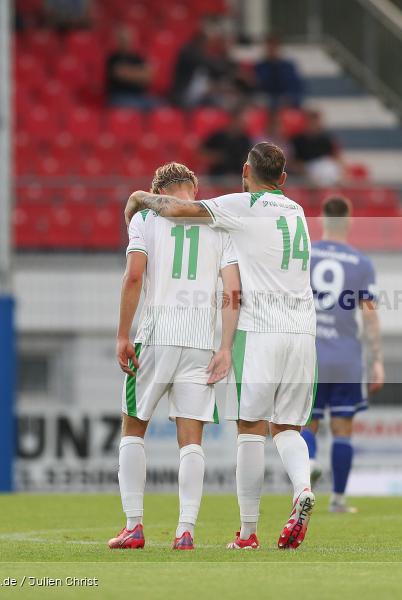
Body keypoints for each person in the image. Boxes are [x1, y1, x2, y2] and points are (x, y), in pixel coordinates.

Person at [124, 142, 317, 551]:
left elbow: (176, 211)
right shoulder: (298, 212)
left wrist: (140, 197)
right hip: (303, 333)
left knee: (250, 429)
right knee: (287, 428)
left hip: (259, 331)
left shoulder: (239, 206)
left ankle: (247, 534)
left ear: (246, 171)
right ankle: (301, 489)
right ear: (283, 178)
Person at [109, 162, 241, 550]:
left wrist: (122, 334)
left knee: (133, 426)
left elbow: (134, 276)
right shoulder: (219, 223)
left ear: (158, 189)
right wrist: (225, 346)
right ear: (192, 189)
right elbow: (232, 291)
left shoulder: (146, 217)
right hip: (201, 342)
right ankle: (186, 531)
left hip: (156, 335)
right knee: (192, 440)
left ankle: (134, 526)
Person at [301, 196, 384, 513]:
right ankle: (338, 500)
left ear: (322, 220)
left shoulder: (307, 255)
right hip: (347, 356)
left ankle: (307, 471)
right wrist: (376, 358)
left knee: (306, 423)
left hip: (310, 352)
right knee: (343, 428)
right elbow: (370, 315)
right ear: (349, 221)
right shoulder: (361, 263)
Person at [105, 26, 156, 110]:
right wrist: (139, 74)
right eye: (122, 39)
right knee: (136, 108)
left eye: (128, 39)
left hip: (141, 96)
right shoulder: (113, 58)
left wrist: (130, 73)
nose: (126, 42)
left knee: (163, 109)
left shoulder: (137, 58)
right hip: (119, 96)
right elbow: (120, 74)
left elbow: (149, 76)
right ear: (117, 41)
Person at [290, 109, 344, 186]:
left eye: (315, 122)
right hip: (307, 170)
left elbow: (336, 157)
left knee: (330, 170)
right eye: (310, 121)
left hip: (325, 168)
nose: (313, 124)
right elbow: (293, 161)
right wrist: (305, 169)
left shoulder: (327, 138)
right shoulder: (298, 140)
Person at [254, 34, 304, 110]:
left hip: (285, 103)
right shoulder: (260, 66)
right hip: (267, 103)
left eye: (274, 46)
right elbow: (260, 86)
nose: (271, 49)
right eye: (269, 46)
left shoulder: (288, 66)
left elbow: (295, 87)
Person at [201, 108, 253, 178]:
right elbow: (201, 151)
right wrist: (214, 156)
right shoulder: (218, 136)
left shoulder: (245, 139)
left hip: (238, 178)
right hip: (217, 176)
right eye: (239, 121)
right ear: (233, 120)